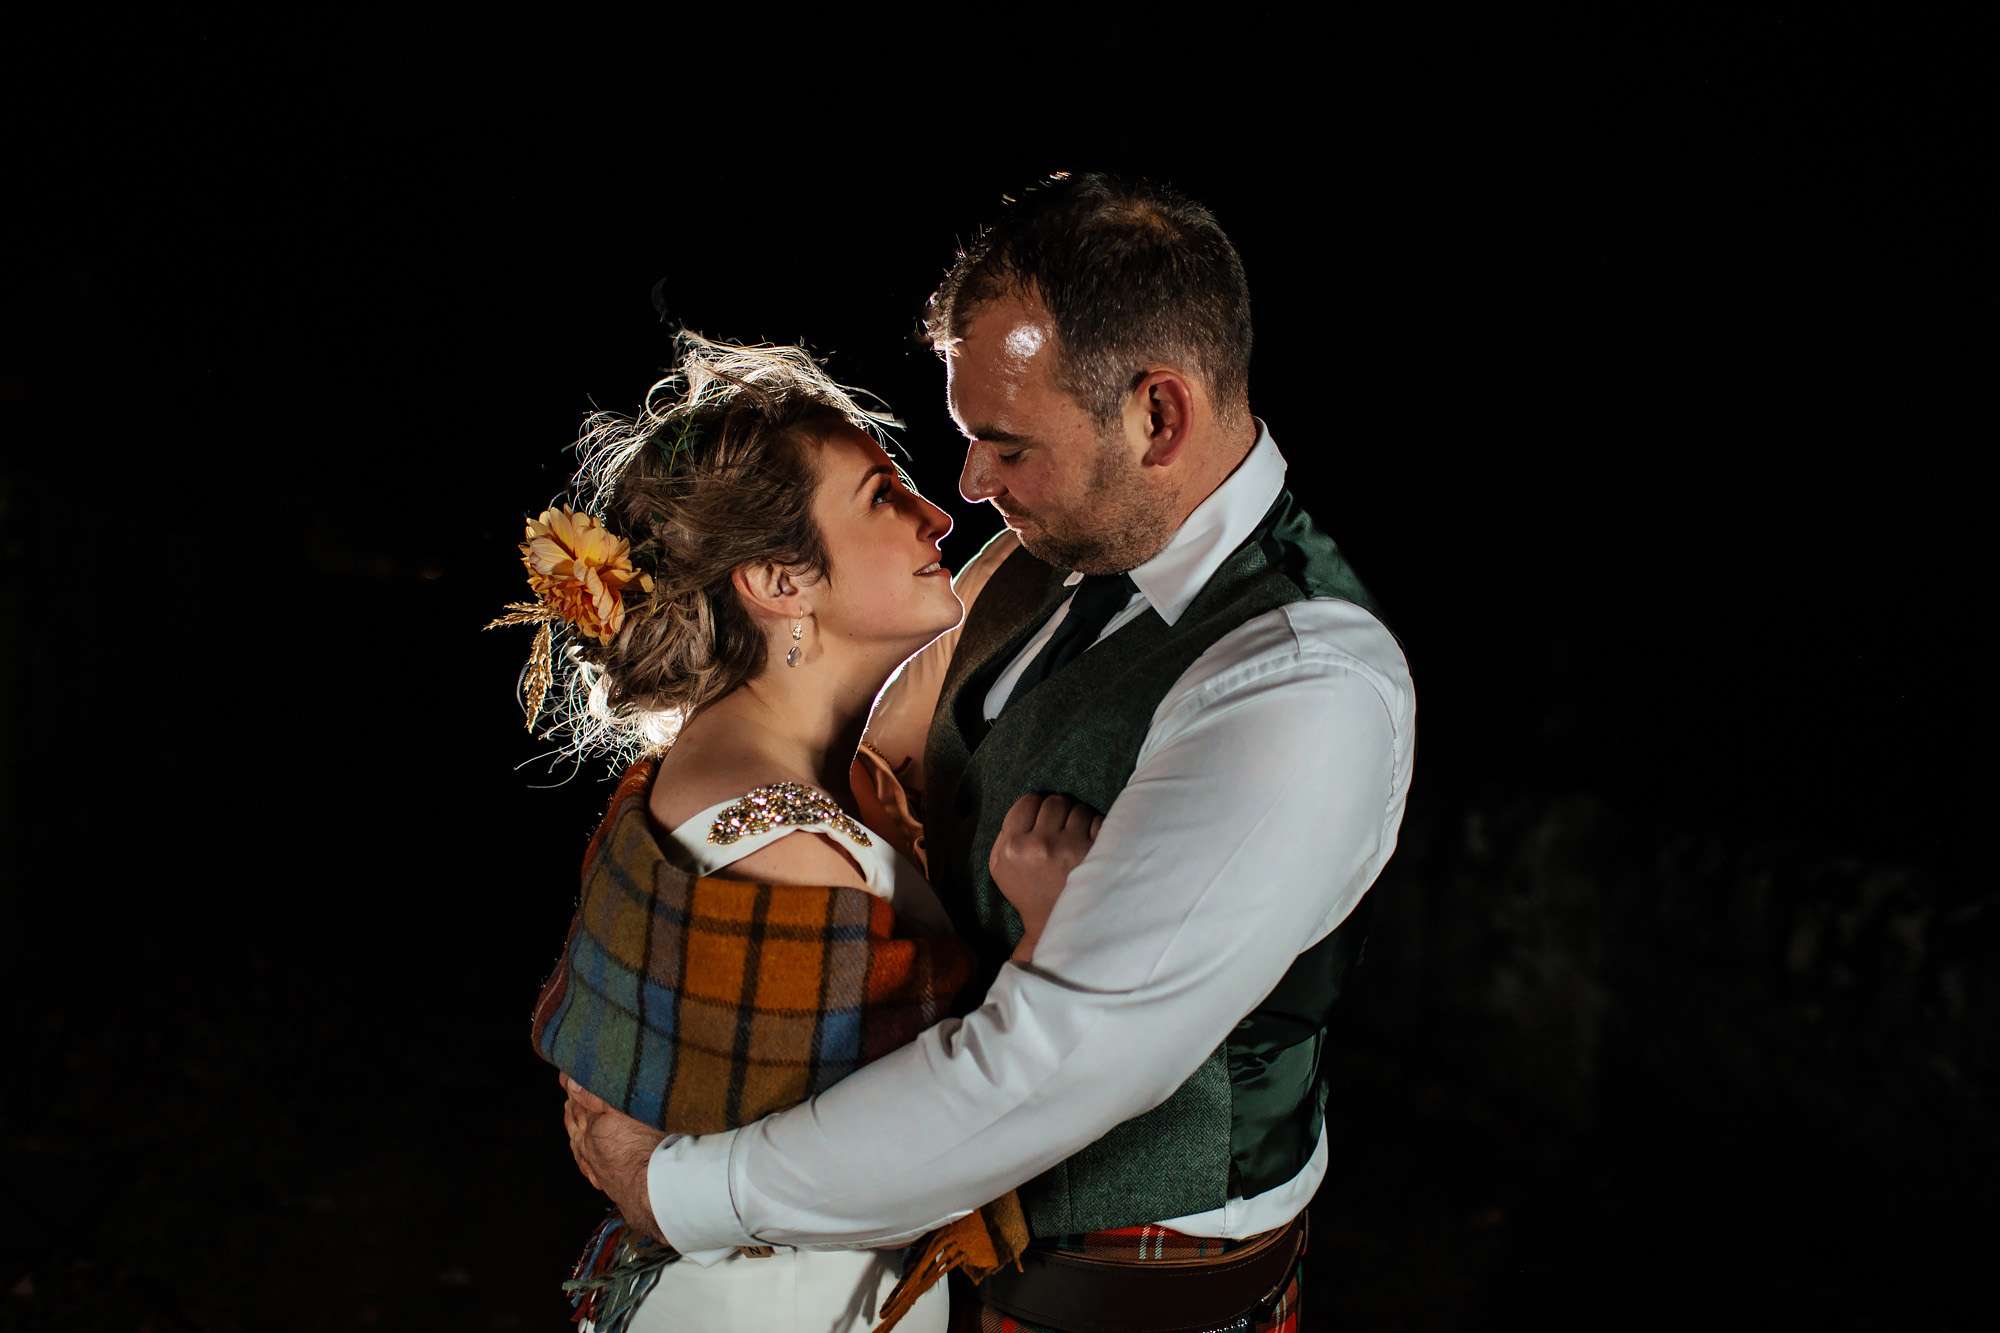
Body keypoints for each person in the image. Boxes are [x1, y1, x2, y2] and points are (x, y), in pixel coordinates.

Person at [565, 172, 1418, 1332]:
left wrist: (683, 1188)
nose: (965, 488)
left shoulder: (1298, 685)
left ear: (1156, 416)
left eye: (1002, 444)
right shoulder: (1041, 550)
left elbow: (1051, 1066)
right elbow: (874, 781)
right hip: (911, 1257)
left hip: (1123, 1290)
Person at [501, 334, 1103, 1332]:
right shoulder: (780, 845)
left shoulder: (759, 752)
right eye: (880, 496)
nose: (934, 515)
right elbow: (928, 1153)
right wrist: (1051, 936)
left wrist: (1062, 489)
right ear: (781, 581)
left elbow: (970, 616)